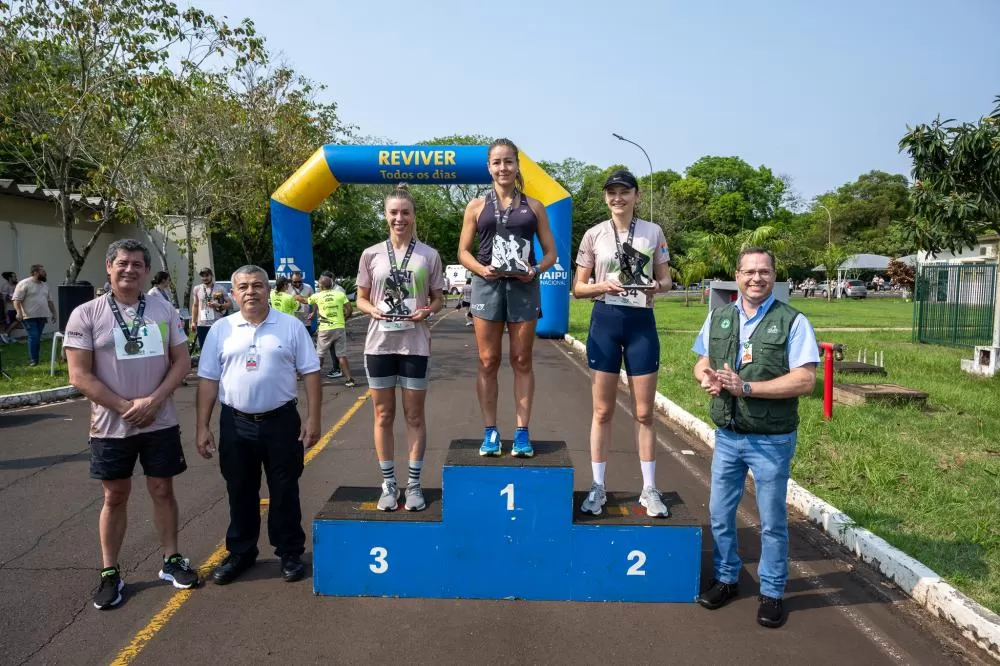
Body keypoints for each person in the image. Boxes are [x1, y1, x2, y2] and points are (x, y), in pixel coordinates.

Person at [64, 239, 197, 610]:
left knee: (162, 490)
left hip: (159, 420)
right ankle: (110, 572)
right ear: (109, 268)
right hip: (111, 424)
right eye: (122, 263)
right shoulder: (86, 314)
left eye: (138, 264)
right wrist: (126, 406)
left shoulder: (163, 309)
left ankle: (172, 561)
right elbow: (79, 375)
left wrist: (152, 402)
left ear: (145, 271)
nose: (130, 269)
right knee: (115, 496)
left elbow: (182, 362)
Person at [691, 247, 819, 629]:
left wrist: (746, 388)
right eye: (749, 272)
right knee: (719, 513)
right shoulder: (719, 316)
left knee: (772, 521)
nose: (756, 278)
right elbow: (702, 360)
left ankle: (772, 592)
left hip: (771, 439)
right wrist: (707, 378)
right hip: (728, 435)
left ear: (774, 276)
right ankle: (727, 578)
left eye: (764, 272)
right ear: (737, 275)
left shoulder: (793, 321)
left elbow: (806, 380)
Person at [195, 265, 322, 584]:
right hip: (236, 423)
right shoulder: (221, 329)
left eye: (257, 285)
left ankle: (290, 551)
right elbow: (208, 380)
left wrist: (314, 418)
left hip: (281, 422)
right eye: (243, 287)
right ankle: (242, 551)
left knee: (284, 490)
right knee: (239, 489)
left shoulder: (290, 327)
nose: (250, 292)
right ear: (233, 294)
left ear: (268, 290)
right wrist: (202, 425)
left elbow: (311, 373)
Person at [572, 169, 673, 518]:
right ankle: (598, 486)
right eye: (612, 192)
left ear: (636, 196)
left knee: (644, 412)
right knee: (602, 411)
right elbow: (578, 288)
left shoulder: (652, 232)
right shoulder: (593, 235)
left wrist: (650, 286)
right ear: (606, 198)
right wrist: (604, 286)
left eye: (624, 192)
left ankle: (649, 488)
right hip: (605, 322)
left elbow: (667, 281)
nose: (618, 198)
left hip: (641, 323)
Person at [458, 138, 557, 458]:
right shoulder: (476, 206)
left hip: (524, 286)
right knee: (488, 361)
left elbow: (552, 253)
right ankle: (490, 432)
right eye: (497, 162)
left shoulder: (535, 207)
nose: (503, 168)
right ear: (489, 167)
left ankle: (522, 432)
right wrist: (481, 269)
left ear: (517, 166)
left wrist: (536, 269)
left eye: (508, 162)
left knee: (521, 359)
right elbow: (462, 253)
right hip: (488, 285)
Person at [356, 183, 445, 511]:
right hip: (379, 344)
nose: (399, 218)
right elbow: (361, 299)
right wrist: (373, 310)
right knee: (383, 414)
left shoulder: (429, 255)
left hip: (415, 343)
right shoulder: (371, 254)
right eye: (393, 212)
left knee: (414, 416)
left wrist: (428, 310)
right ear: (385, 215)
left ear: (413, 215)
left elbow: (438, 298)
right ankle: (389, 485)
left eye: (405, 212)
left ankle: (414, 485)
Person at [309, 275, 355, 386]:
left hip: (325, 328)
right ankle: (349, 379)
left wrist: (296, 297)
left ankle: (315, 381)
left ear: (320, 285)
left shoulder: (317, 296)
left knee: (320, 355)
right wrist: (344, 319)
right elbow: (350, 309)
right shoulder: (340, 294)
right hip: (339, 327)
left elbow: (306, 301)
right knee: (341, 355)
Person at [12, 264, 57, 366]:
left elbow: (50, 301)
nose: (45, 273)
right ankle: (33, 360)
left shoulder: (45, 285)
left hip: (42, 316)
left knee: (37, 338)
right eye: (42, 271)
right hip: (28, 316)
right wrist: (19, 312)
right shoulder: (24, 283)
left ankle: (36, 359)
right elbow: (16, 300)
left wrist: (54, 313)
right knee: (34, 336)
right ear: (35, 272)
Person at [190, 268, 230, 352]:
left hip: (217, 323)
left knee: (219, 348)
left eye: (207, 275)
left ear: (211, 276)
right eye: (203, 276)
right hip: (202, 324)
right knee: (204, 349)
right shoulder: (197, 289)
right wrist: (193, 322)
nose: (205, 278)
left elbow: (229, 304)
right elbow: (195, 305)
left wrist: (218, 305)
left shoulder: (220, 288)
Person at [1, 271, 22, 343]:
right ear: (10, 278)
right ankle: (6, 336)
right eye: (14, 277)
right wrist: (4, 311)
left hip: (16, 308)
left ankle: (6, 335)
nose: (16, 278)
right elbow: (3, 299)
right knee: (8, 324)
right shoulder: (5, 286)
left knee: (18, 322)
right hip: (8, 309)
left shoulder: (16, 285)